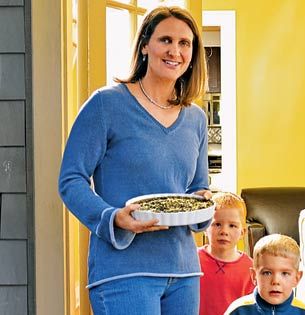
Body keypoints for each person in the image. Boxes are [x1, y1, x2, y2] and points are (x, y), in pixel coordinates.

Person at [58, 6, 211, 315]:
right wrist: (112, 217)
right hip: (122, 271)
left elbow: (198, 187)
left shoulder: (195, 118)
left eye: (185, 43)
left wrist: (203, 202)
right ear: (145, 45)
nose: (175, 51)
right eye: (165, 39)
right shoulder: (106, 105)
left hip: (183, 272)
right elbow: (70, 179)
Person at [225, 234, 305, 315]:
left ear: (297, 278)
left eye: (285, 273)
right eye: (267, 273)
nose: (275, 281)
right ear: (254, 276)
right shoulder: (238, 311)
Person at [198, 192, 255, 315]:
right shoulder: (192, 260)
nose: (224, 231)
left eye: (232, 226)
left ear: (242, 232)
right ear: (204, 227)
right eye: (217, 224)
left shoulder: (251, 268)